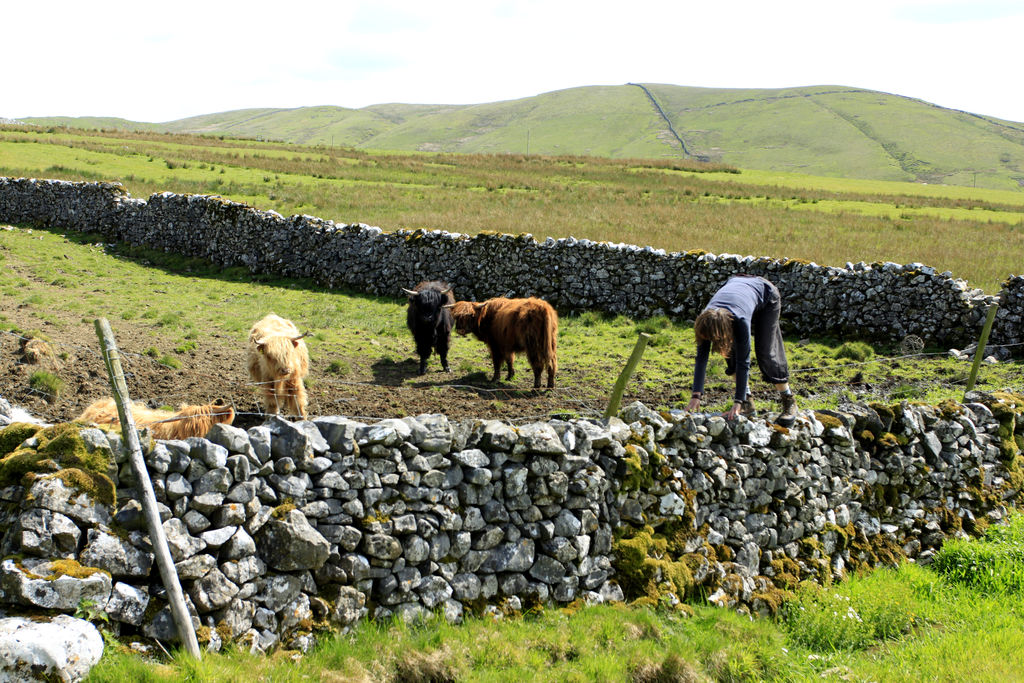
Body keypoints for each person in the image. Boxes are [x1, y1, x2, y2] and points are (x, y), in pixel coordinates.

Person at [687, 274, 798, 427]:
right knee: (728, 351)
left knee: (766, 352)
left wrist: (737, 401)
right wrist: (696, 395)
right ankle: (748, 404)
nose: (708, 341)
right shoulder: (705, 321)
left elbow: (744, 361)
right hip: (736, 284)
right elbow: (701, 359)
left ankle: (788, 401)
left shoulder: (740, 321)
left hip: (766, 295)